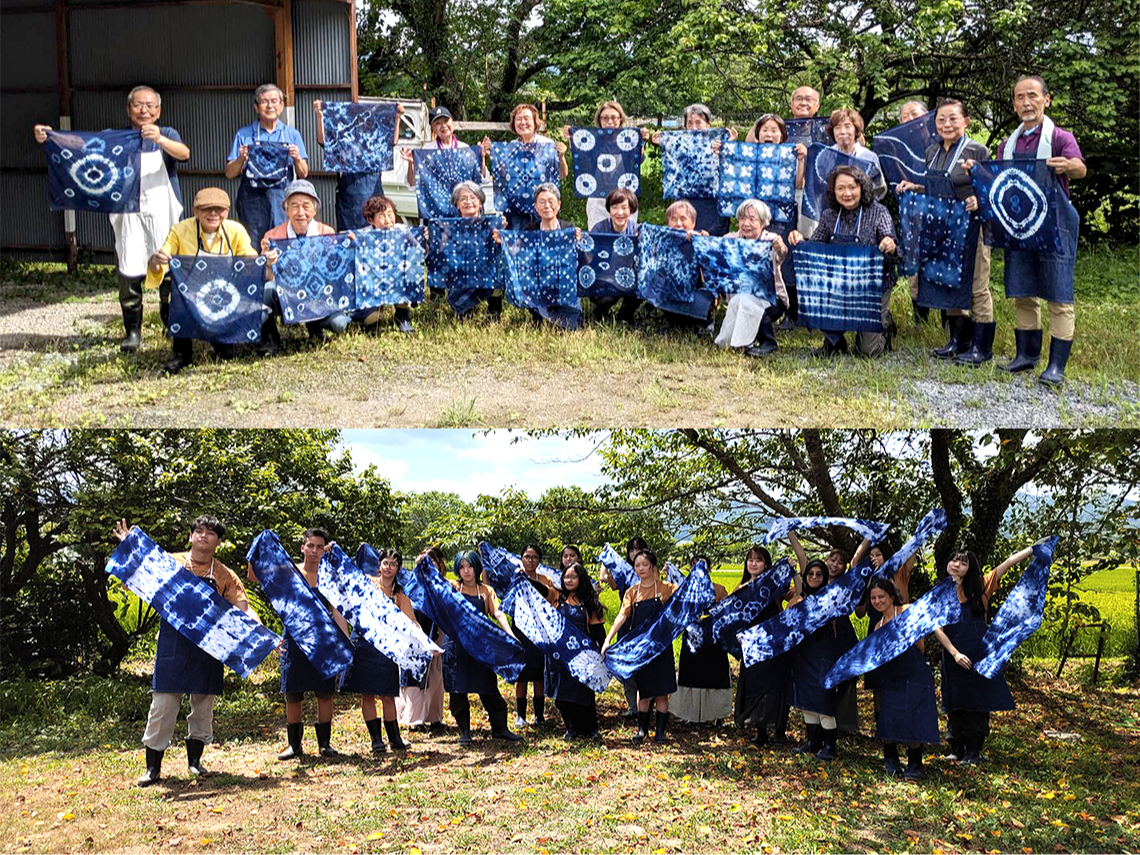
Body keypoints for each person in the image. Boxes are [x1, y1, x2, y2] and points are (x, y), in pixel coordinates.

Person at [35, 86, 190, 353]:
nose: (144, 110)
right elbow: (81, 146)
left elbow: (184, 153)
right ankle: (132, 331)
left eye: (150, 105)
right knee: (129, 267)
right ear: (128, 109)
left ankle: (170, 321)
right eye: (139, 105)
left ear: (159, 111)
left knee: (168, 265)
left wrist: (161, 140)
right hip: (126, 212)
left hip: (162, 210)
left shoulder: (167, 133)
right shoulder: (113, 138)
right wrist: (49, 136)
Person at [117, 515, 259, 787]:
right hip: (173, 645)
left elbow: (243, 609)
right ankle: (152, 769)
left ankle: (195, 762)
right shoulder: (170, 562)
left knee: (203, 708)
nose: (203, 536)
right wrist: (130, 549)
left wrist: (263, 635)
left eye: (210, 533)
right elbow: (132, 580)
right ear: (191, 536)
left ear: (218, 541)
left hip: (209, 649)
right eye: (199, 531)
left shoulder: (225, 575)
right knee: (163, 706)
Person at [968, 75, 1086, 386]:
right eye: (1020, 97)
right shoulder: (1007, 144)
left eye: (1032, 96)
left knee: (1059, 294)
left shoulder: (1060, 137)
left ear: (1047, 100)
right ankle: (1026, 356)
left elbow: (1081, 168)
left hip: (1055, 226)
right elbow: (996, 182)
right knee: (1023, 291)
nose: (1026, 103)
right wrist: (975, 175)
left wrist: (1067, 166)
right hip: (1018, 228)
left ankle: (1056, 367)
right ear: (1014, 104)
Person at [897, 99, 994, 363]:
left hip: (973, 227)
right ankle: (957, 342)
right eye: (941, 119)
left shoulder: (977, 150)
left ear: (966, 121)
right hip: (944, 229)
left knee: (977, 285)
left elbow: (992, 188)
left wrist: (979, 199)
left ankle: (981, 348)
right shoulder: (933, 152)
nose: (947, 124)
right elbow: (934, 188)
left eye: (953, 118)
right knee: (949, 282)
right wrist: (914, 187)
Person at [932, 543, 1037, 765]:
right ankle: (955, 749)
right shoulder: (941, 593)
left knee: (977, 702)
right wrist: (954, 653)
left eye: (963, 562)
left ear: (970, 568)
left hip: (979, 654)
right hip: (953, 655)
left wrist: (1031, 550)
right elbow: (936, 628)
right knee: (954, 700)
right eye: (954, 560)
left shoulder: (981, 586)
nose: (957, 565)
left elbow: (1006, 564)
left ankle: (973, 752)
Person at [145, 187, 262, 374]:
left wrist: (264, 261)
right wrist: (155, 262)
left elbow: (250, 263)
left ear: (227, 212)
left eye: (219, 209)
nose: (213, 213)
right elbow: (161, 264)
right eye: (206, 209)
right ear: (195, 211)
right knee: (171, 287)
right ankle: (182, 351)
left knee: (227, 355)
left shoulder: (236, 231)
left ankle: (221, 339)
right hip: (191, 295)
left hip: (224, 294)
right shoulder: (179, 230)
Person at [788, 164, 898, 357]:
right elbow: (815, 248)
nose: (847, 193)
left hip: (872, 288)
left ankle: (885, 324)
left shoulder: (879, 212)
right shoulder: (829, 215)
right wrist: (799, 240)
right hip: (839, 285)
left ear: (862, 188)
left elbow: (892, 244)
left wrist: (889, 244)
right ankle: (834, 342)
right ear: (833, 191)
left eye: (852, 187)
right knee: (815, 286)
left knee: (867, 352)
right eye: (841, 188)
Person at [271, 527, 351, 761]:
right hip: (294, 639)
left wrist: (345, 643)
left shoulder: (330, 576)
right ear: (303, 547)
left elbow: (339, 612)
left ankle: (325, 744)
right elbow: (256, 574)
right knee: (293, 693)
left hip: (324, 641)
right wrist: (267, 545)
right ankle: (294, 745)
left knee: (325, 693)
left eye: (319, 547)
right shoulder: (290, 572)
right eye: (311, 546)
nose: (314, 551)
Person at [340, 548, 415, 754]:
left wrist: (426, 644)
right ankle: (376, 740)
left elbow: (412, 622)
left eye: (393, 563)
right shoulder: (367, 585)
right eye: (385, 563)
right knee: (367, 695)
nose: (388, 567)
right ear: (379, 565)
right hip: (363, 646)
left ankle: (395, 739)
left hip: (387, 649)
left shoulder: (399, 595)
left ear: (398, 568)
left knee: (388, 695)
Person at [443, 549, 523, 743]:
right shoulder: (452, 587)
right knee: (457, 689)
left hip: (481, 648)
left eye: (470, 566)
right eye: (461, 567)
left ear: (476, 567)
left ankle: (500, 729)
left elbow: (499, 614)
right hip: (456, 647)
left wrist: (511, 635)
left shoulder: (487, 591)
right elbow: (433, 582)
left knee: (488, 687)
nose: (466, 571)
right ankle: (465, 733)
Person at [600, 549, 677, 743]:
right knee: (643, 690)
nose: (641, 569)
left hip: (661, 647)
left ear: (653, 567)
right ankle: (642, 730)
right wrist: (608, 638)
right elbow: (622, 616)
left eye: (645, 565)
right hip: (641, 649)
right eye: (637, 565)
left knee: (661, 690)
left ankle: (660, 731)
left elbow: (681, 606)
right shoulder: (632, 592)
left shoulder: (668, 588)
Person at [261, 179, 350, 347]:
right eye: (294, 206)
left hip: (318, 294)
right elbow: (266, 278)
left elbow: (335, 274)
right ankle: (270, 338)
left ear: (315, 209)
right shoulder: (272, 236)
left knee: (339, 324)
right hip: (287, 295)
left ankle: (315, 326)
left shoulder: (327, 233)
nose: (300, 212)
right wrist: (267, 264)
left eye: (306, 206)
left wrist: (347, 247)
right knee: (266, 290)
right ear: (286, 210)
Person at [865, 578, 939, 780]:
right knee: (889, 716)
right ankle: (891, 759)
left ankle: (915, 762)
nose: (878, 601)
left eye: (881, 596)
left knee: (913, 715)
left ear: (891, 596)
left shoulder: (907, 610)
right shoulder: (878, 627)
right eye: (873, 598)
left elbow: (920, 642)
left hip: (914, 669)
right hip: (891, 675)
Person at [225, 84, 309, 249]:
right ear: (256, 107)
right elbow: (229, 173)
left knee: (283, 243)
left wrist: (297, 158)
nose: (270, 106)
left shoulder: (292, 134)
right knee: (254, 245)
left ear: (281, 106)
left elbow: (304, 173)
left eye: (274, 101)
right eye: (264, 102)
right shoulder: (244, 135)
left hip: (281, 198)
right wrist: (241, 158)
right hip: (252, 200)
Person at [733, 545, 793, 747]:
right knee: (756, 686)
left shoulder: (774, 586)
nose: (754, 563)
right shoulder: (740, 589)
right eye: (750, 560)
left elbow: (797, 593)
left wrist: (794, 571)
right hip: (752, 648)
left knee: (777, 686)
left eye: (758, 560)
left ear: (766, 563)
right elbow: (732, 619)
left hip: (775, 644)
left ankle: (779, 732)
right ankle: (760, 732)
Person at [714, 199, 789, 357]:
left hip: (773, 300)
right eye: (742, 218)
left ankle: (768, 343)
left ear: (763, 222)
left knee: (745, 300)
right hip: (740, 297)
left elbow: (781, 255)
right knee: (739, 300)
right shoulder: (730, 240)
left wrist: (780, 247)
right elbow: (712, 250)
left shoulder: (771, 240)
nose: (746, 223)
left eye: (752, 219)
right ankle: (733, 342)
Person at [312, 99, 403, 230]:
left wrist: (397, 117)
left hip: (374, 198)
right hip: (349, 203)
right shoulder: (343, 145)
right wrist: (320, 115)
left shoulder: (376, 144)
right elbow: (323, 140)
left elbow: (392, 141)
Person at [785, 559, 843, 760]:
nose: (814, 578)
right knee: (806, 699)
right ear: (805, 576)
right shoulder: (797, 599)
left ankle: (830, 747)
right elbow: (785, 625)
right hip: (802, 653)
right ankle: (812, 742)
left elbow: (836, 627)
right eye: (810, 574)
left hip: (824, 652)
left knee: (824, 698)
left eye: (819, 574)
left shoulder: (831, 597)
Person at [480, 103, 569, 229]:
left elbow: (562, 175)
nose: (522, 122)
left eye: (526, 118)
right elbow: (504, 178)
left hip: (544, 209)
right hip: (516, 211)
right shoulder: (509, 148)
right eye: (518, 119)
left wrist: (561, 157)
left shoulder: (547, 145)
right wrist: (493, 157)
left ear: (534, 122)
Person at [653, 103, 737, 236]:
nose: (694, 127)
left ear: (708, 125)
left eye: (698, 122)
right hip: (685, 204)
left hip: (712, 207)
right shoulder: (679, 145)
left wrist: (728, 148)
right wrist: (664, 144)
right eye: (690, 123)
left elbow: (732, 173)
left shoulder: (718, 144)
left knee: (710, 245)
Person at [563, 100, 649, 229]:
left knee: (624, 238)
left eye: (614, 117)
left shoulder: (630, 140)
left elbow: (638, 160)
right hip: (598, 201)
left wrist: (641, 140)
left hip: (624, 200)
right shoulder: (591, 142)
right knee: (598, 238)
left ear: (620, 119)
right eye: (605, 118)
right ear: (599, 120)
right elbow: (582, 160)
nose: (610, 121)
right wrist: (572, 137)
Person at [546, 561, 606, 739]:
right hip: (560, 654)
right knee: (562, 694)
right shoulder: (556, 596)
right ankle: (570, 728)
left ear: (581, 579)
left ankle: (590, 729)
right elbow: (539, 589)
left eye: (573, 576)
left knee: (584, 692)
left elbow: (598, 631)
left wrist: (604, 649)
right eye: (566, 576)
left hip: (583, 655)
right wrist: (524, 577)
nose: (568, 580)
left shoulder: (589, 602)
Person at [672, 555, 731, 727]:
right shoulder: (685, 590)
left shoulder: (719, 589)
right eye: (695, 566)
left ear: (710, 569)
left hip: (714, 641)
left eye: (703, 566)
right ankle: (691, 715)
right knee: (691, 677)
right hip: (692, 641)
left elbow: (726, 614)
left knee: (716, 678)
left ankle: (719, 716)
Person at [397, 546, 448, 732]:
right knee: (413, 677)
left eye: (431, 560)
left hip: (436, 634)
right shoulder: (410, 582)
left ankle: (434, 717)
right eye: (424, 560)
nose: (427, 563)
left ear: (439, 563)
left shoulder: (444, 583)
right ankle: (413, 719)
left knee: (435, 676)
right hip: (414, 634)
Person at [893, 101, 935, 326]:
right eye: (904, 116)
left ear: (926, 117)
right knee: (915, 267)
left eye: (914, 114)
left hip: (941, 213)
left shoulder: (940, 141)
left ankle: (950, 322)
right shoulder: (896, 148)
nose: (909, 119)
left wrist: (918, 186)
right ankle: (922, 321)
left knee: (940, 262)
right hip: (912, 215)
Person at [599, 535, 649, 719]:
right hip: (626, 624)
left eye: (637, 549)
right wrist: (606, 559)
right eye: (631, 550)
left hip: (644, 625)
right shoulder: (624, 573)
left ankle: (645, 704)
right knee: (627, 666)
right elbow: (604, 578)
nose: (634, 553)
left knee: (645, 666)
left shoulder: (649, 572)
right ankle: (632, 708)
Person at [511, 544, 558, 728]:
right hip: (520, 629)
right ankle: (520, 716)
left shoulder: (545, 580)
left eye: (534, 557)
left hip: (539, 631)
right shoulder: (515, 577)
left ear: (539, 560)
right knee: (521, 674)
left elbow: (552, 599)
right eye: (527, 556)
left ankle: (539, 715)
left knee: (539, 673)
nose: (530, 560)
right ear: (521, 558)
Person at [356, 195, 417, 334]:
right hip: (373, 284)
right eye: (382, 216)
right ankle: (371, 321)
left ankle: (402, 317)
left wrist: (422, 238)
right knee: (373, 318)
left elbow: (418, 253)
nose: (388, 220)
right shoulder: (364, 235)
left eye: (390, 214)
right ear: (371, 220)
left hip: (396, 280)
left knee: (406, 277)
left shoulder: (403, 230)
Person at [588, 187, 643, 323]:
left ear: (631, 210)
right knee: (605, 299)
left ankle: (625, 314)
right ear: (609, 209)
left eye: (624, 208)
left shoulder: (637, 230)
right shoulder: (599, 229)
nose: (620, 212)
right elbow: (588, 256)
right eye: (615, 207)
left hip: (628, 277)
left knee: (643, 285)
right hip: (604, 278)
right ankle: (600, 311)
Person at [827, 109, 888, 201]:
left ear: (855, 130)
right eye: (837, 127)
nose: (842, 131)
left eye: (847, 126)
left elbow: (879, 189)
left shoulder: (869, 157)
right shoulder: (826, 155)